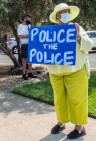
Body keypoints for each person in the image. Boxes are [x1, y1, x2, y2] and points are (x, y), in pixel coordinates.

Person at [48, 3, 94, 139]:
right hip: (56, 70)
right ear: (57, 15)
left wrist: (79, 36)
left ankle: (80, 128)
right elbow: (45, 48)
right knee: (59, 99)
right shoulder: (50, 31)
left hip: (76, 69)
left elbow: (89, 45)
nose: (65, 14)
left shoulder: (77, 28)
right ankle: (61, 123)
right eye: (62, 12)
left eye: (67, 11)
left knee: (77, 99)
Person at [17, 15, 37, 80]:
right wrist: (28, 35)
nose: (29, 21)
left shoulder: (29, 26)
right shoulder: (20, 26)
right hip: (24, 44)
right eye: (28, 20)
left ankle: (30, 73)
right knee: (25, 59)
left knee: (30, 59)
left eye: (30, 20)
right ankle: (24, 74)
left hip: (30, 44)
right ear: (24, 19)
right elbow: (20, 36)